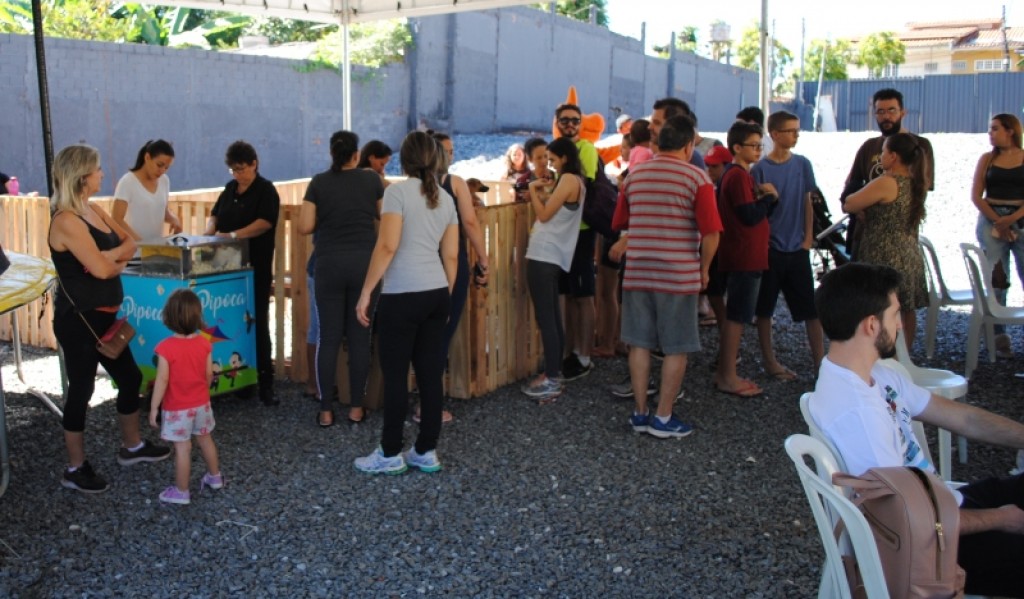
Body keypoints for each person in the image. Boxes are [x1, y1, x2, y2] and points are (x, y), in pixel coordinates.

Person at [809, 262, 1024, 598]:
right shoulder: (858, 415)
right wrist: (1001, 519)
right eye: (895, 315)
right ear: (870, 325)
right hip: (931, 545)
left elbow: (962, 419)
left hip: (940, 507)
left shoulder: (874, 374)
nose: (901, 324)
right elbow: (908, 523)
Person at [47, 144, 170, 493]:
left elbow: (130, 243)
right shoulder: (66, 220)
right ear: (83, 176)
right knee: (81, 390)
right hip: (80, 320)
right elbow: (102, 269)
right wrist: (107, 261)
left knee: (129, 379)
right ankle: (74, 467)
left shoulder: (94, 209)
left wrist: (105, 258)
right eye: (98, 170)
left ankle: (132, 448)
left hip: (107, 316)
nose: (103, 174)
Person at [353, 131, 459, 475]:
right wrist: (446, 292)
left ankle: (389, 452)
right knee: (430, 374)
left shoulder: (396, 192)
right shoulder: (445, 199)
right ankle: (426, 450)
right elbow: (452, 255)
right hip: (436, 292)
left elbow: (386, 247)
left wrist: (367, 292)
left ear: (405, 159)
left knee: (396, 376)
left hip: (402, 295)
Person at [610, 115, 722, 438]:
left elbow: (622, 222)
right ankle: (663, 416)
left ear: (658, 143)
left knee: (639, 344)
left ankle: (640, 412)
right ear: (689, 145)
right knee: (676, 347)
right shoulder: (697, 179)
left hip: (638, 271)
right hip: (678, 274)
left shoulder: (634, 175)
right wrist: (703, 270)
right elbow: (711, 233)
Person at [297, 130, 383, 427]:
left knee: (328, 337)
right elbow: (385, 215)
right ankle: (356, 408)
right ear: (356, 155)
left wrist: (328, 215)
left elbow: (305, 225)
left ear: (332, 153)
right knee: (360, 336)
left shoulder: (319, 182)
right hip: (363, 265)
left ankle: (325, 410)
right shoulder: (371, 179)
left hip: (328, 264)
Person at [204, 141, 280, 406]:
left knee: (257, 322)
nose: (237, 174)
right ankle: (242, 380)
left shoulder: (266, 190)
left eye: (241, 169)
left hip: (254, 268)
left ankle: (265, 382)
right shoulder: (229, 189)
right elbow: (214, 215)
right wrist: (210, 230)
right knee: (231, 323)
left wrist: (234, 235)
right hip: (226, 271)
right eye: (233, 170)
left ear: (253, 164)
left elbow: (264, 222)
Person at [751, 111, 825, 380]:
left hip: (797, 248)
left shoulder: (803, 164)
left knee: (810, 309)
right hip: (770, 248)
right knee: (764, 308)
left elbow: (808, 201)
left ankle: (821, 363)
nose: (796, 135)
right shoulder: (760, 169)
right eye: (791, 130)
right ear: (775, 134)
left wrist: (807, 238)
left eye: (797, 130)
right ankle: (770, 361)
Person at [843, 132, 929, 349]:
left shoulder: (887, 182)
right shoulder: (915, 182)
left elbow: (850, 203)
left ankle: (883, 354)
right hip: (908, 251)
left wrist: (863, 208)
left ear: (893, 156)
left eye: (883, 152)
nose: (881, 156)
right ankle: (904, 356)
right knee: (905, 308)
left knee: (881, 308)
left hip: (883, 253)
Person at [711, 121, 777, 398]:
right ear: (737, 147)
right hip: (743, 254)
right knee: (737, 317)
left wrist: (766, 200)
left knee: (737, 315)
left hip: (747, 253)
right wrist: (770, 198)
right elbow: (748, 216)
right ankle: (727, 374)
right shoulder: (737, 176)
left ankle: (726, 371)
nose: (759, 150)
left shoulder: (741, 175)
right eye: (754, 145)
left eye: (761, 145)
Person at [520, 137, 586, 402]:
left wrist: (534, 190)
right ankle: (554, 371)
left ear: (565, 158)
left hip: (544, 253)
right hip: (554, 255)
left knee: (547, 317)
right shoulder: (575, 182)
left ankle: (551, 377)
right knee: (553, 316)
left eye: (553, 159)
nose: (549, 164)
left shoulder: (569, 180)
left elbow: (545, 215)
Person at [431, 132, 489, 422]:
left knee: (423, 334)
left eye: (453, 150)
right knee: (442, 332)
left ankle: (419, 399)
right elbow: (470, 222)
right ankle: (430, 404)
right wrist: (484, 257)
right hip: (450, 264)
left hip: (417, 266)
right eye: (446, 151)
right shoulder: (454, 184)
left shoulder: (410, 186)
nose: (451, 155)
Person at [840, 88, 935, 261]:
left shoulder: (920, 145)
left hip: (899, 236)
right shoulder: (868, 146)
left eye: (891, 110)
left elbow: (922, 189)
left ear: (902, 112)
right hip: (865, 233)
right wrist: (859, 207)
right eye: (881, 112)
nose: (886, 116)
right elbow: (851, 185)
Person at [147, 288, 223, 505]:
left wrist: (154, 407)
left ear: (168, 317)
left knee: (183, 447)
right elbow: (209, 374)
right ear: (198, 316)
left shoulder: (165, 348)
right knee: (205, 439)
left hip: (177, 408)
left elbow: (162, 381)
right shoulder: (204, 344)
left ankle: (181, 491)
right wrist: (202, 392)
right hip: (201, 404)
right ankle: (215, 476)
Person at [971, 113, 1024, 359]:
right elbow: (976, 196)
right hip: (991, 218)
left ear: (1010, 131)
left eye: (995, 129)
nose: (990, 133)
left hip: (1019, 217)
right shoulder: (987, 159)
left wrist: (1010, 220)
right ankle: (998, 337)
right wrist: (997, 220)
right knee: (997, 279)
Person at [554, 103, 597, 380]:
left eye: (575, 120)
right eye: (565, 120)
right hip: (562, 231)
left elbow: (586, 186)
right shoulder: (555, 148)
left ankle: (585, 354)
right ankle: (568, 350)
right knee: (568, 294)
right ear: (558, 122)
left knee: (584, 295)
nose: (571, 124)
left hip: (581, 230)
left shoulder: (588, 150)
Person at [111, 140, 182, 242]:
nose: (162, 171)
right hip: (133, 251)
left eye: (166, 167)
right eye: (159, 165)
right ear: (147, 157)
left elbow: (162, 211)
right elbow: (116, 219)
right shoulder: (127, 182)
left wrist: (174, 220)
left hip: (156, 249)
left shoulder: (164, 181)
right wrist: (140, 242)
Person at [513, 137, 553, 203]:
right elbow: (517, 206)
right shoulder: (522, 181)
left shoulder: (556, 177)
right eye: (539, 158)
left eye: (546, 156)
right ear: (529, 159)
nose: (544, 161)